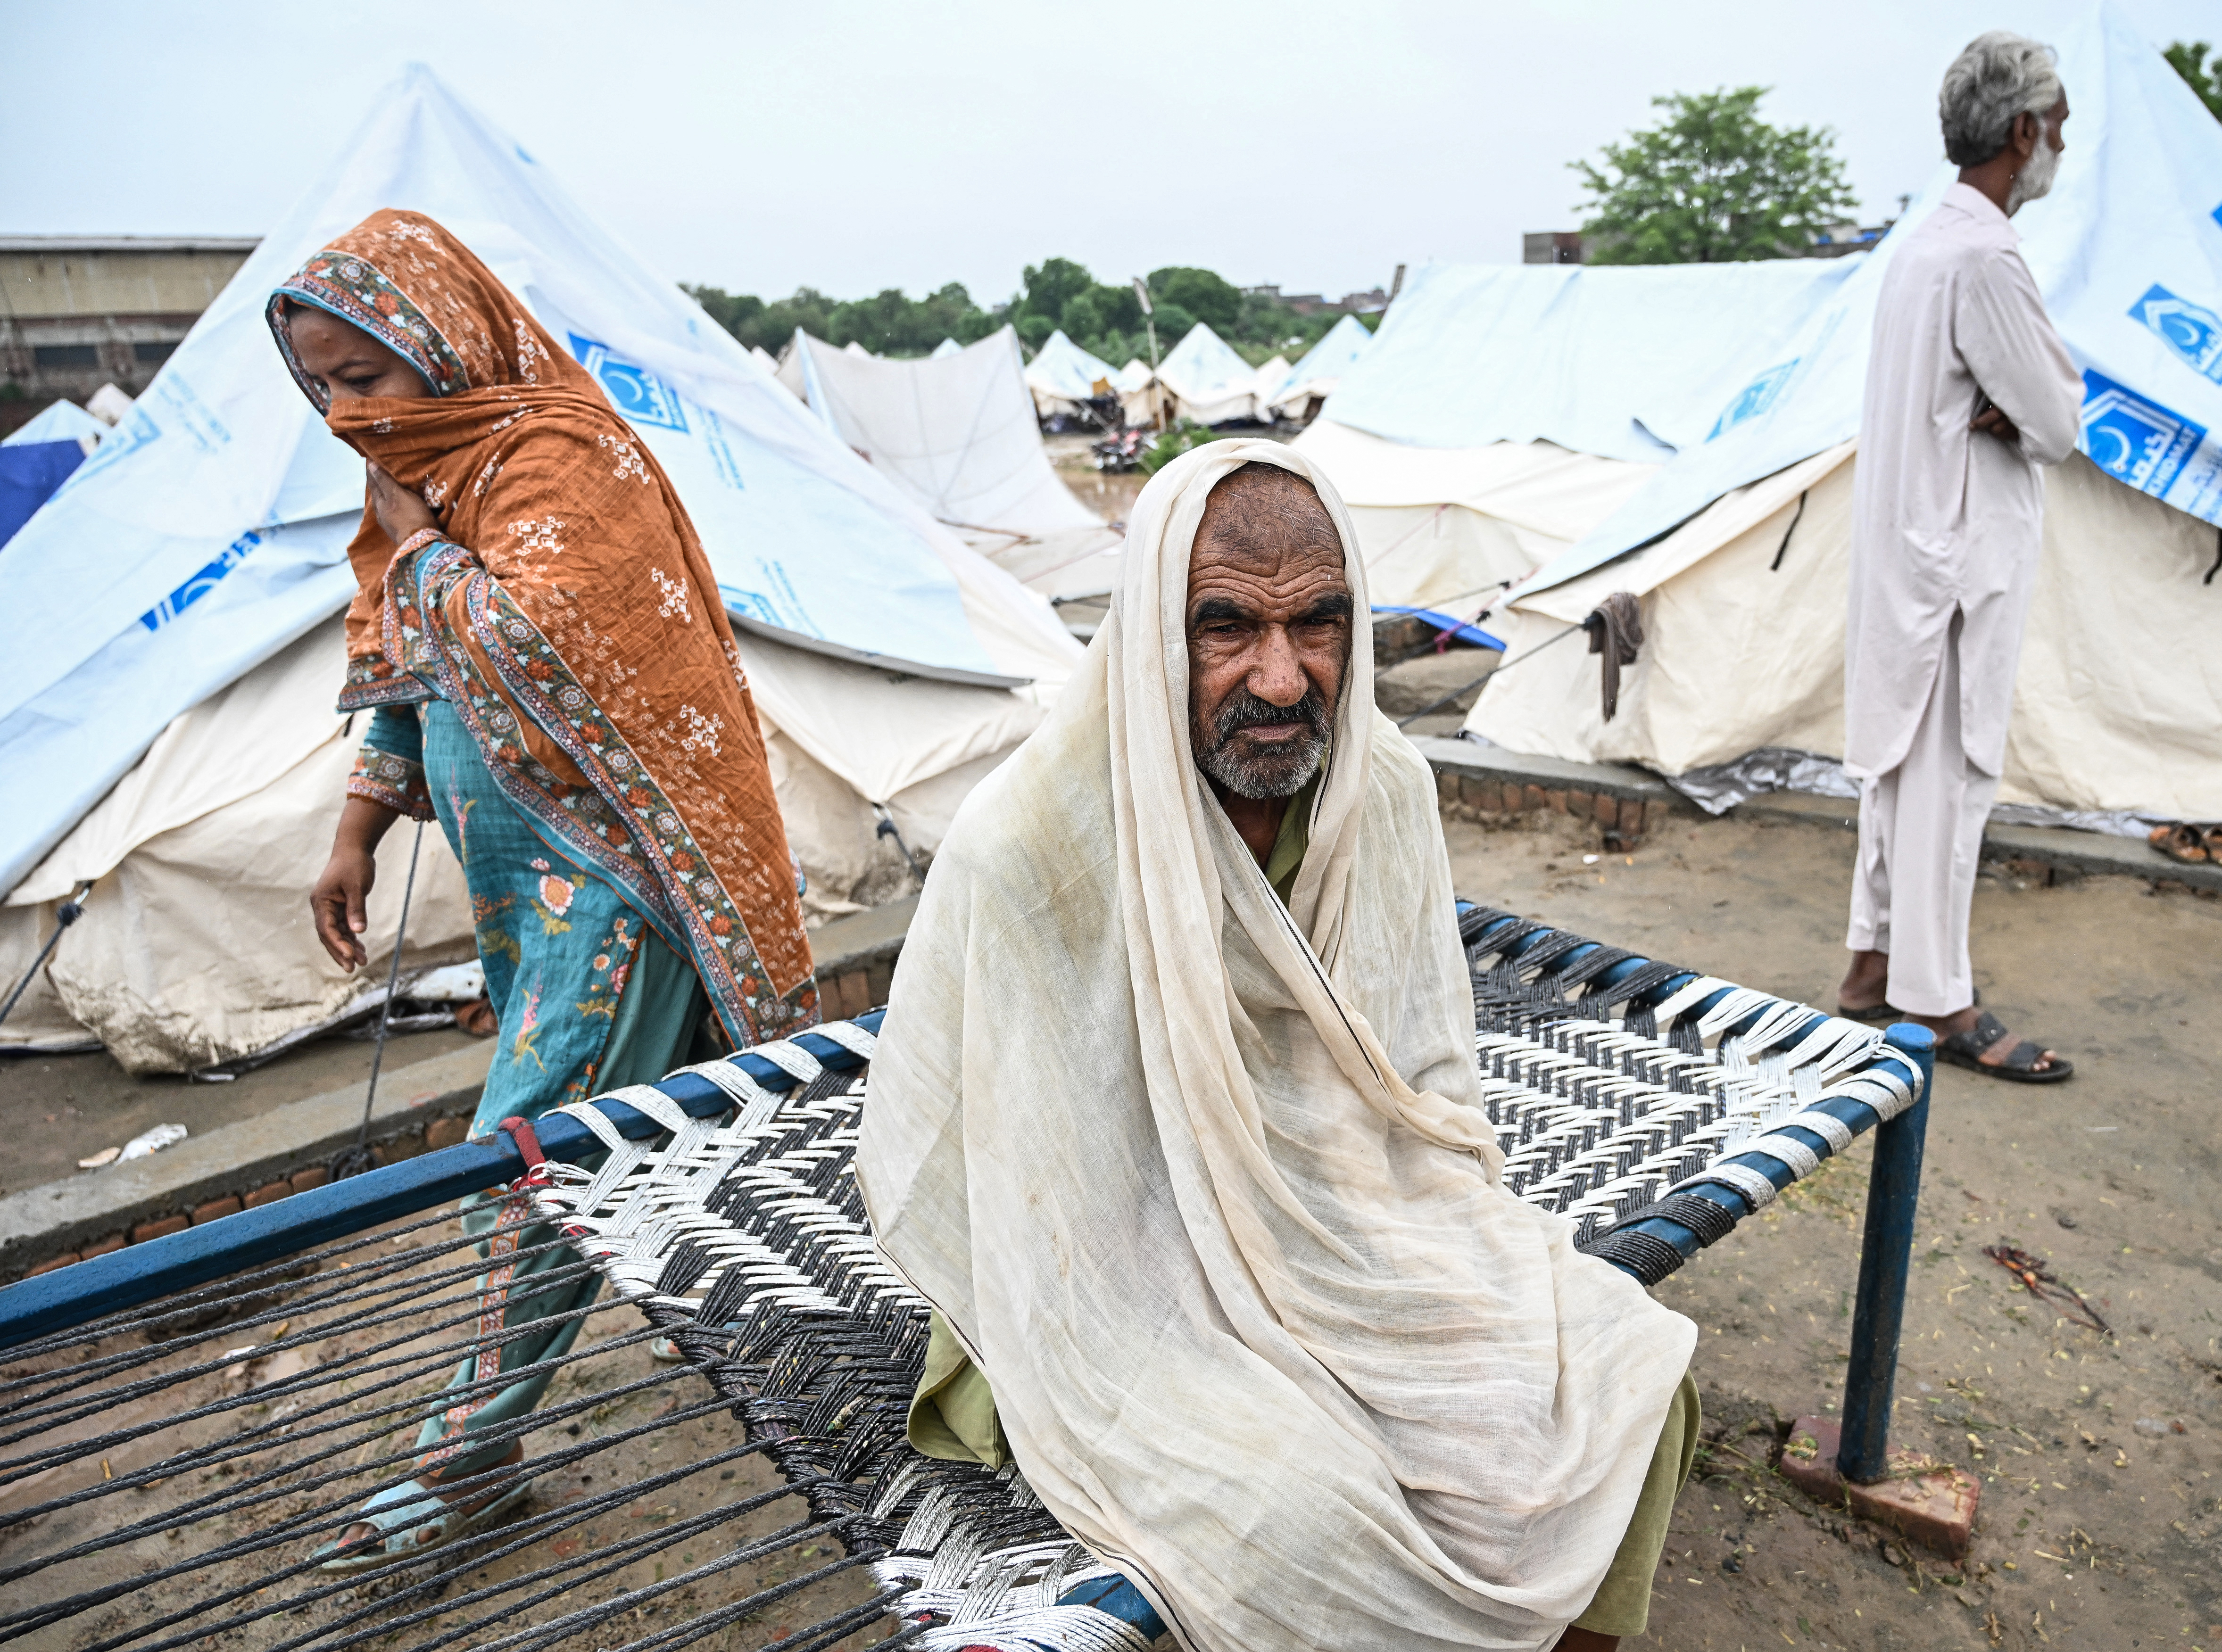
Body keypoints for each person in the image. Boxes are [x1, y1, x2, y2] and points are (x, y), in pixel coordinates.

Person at [857, 440, 1699, 1652]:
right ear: (1152, 631)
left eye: (1319, 624)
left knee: (1626, 1383)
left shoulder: (1382, 792)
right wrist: (1252, 1334)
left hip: (1356, 1220)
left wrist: (1394, 1273)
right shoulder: (1033, 844)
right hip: (1107, 1281)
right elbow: (1044, 1196)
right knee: (1297, 1511)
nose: (1282, 676)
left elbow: (1425, 1088)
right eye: (1225, 628)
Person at [270, 210, 817, 1566]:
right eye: (323, 386)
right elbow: (410, 666)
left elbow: (536, 649)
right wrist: (358, 827)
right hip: (524, 906)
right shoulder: (420, 479)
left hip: (619, 891)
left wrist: (422, 549)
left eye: (367, 378)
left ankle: (468, 1458)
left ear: (441, 347)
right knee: (688, 1155)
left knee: (527, 1169)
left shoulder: (562, 462)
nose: (346, 415)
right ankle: (880, 1348)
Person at [1837, 32, 2083, 1084]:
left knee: (1902, 783)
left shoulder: (1923, 248)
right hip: (1954, 570)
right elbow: (2062, 415)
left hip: (1910, 556)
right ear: (2023, 131)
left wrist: (2006, 406)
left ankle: (1870, 972)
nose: (2059, 146)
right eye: (2057, 127)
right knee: (1944, 787)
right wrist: (2016, 408)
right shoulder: (1983, 256)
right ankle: (1940, 1004)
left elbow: (2012, 402)